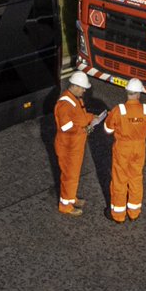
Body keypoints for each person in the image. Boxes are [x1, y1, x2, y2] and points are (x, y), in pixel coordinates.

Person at [103, 78, 146, 223]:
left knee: (119, 180)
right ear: (139, 94)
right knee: (136, 178)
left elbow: (108, 129)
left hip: (122, 148)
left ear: (127, 92)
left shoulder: (119, 110)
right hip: (139, 148)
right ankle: (134, 212)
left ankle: (118, 215)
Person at [53, 71, 96, 216]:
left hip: (75, 145)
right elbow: (66, 127)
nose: (84, 90)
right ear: (75, 86)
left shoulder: (75, 100)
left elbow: (80, 117)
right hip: (68, 147)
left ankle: (71, 198)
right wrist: (84, 130)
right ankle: (65, 205)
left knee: (74, 175)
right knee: (69, 176)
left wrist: (92, 118)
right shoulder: (65, 105)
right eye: (83, 88)